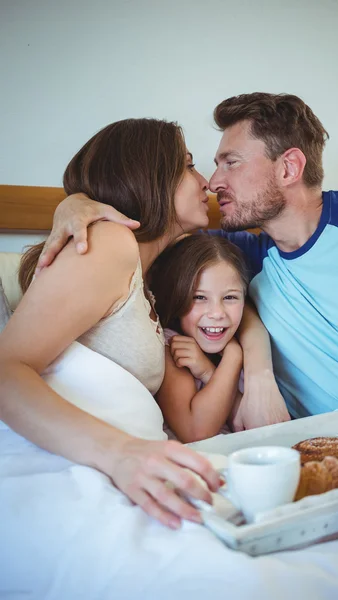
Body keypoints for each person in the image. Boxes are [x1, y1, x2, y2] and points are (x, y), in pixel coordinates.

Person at [38, 93, 338, 420]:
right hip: (323, 446)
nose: (213, 182)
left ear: (288, 168)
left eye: (231, 162)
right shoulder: (238, 256)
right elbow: (142, 223)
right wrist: (75, 203)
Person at [0, 117, 224, 530]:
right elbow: (6, 371)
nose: (206, 181)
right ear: (150, 177)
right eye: (189, 165)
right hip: (73, 469)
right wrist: (119, 454)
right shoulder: (109, 243)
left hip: (119, 464)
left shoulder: (149, 281)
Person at [151, 234, 257, 442]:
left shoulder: (247, 344)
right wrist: (233, 356)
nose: (217, 313)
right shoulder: (172, 347)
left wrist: (210, 372)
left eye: (230, 298)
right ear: (177, 296)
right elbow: (196, 431)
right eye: (199, 297)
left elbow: (247, 422)